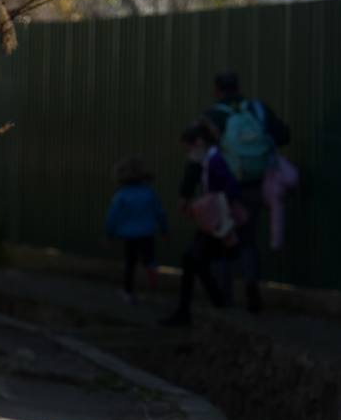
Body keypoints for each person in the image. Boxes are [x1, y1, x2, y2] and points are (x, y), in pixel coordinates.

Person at [201, 71, 291, 313]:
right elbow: (283, 135)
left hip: (224, 187)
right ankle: (251, 286)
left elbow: (202, 152)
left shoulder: (212, 116)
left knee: (224, 238)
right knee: (249, 240)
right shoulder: (258, 110)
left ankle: (224, 296)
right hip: (256, 185)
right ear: (239, 87)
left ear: (217, 90)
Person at [160, 123, 239, 328]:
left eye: (188, 148)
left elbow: (229, 188)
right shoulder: (211, 160)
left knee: (193, 259)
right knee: (194, 260)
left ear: (199, 143)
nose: (188, 154)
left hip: (217, 222)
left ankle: (191, 310)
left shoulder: (214, 161)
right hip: (215, 221)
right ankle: (211, 303)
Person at [105, 156, 168, 304]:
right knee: (149, 259)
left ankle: (128, 292)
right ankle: (151, 281)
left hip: (129, 235)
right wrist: (164, 230)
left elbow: (112, 217)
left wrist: (109, 234)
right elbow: (160, 213)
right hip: (147, 233)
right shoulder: (149, 193)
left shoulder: (121, 195)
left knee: (130, 263)